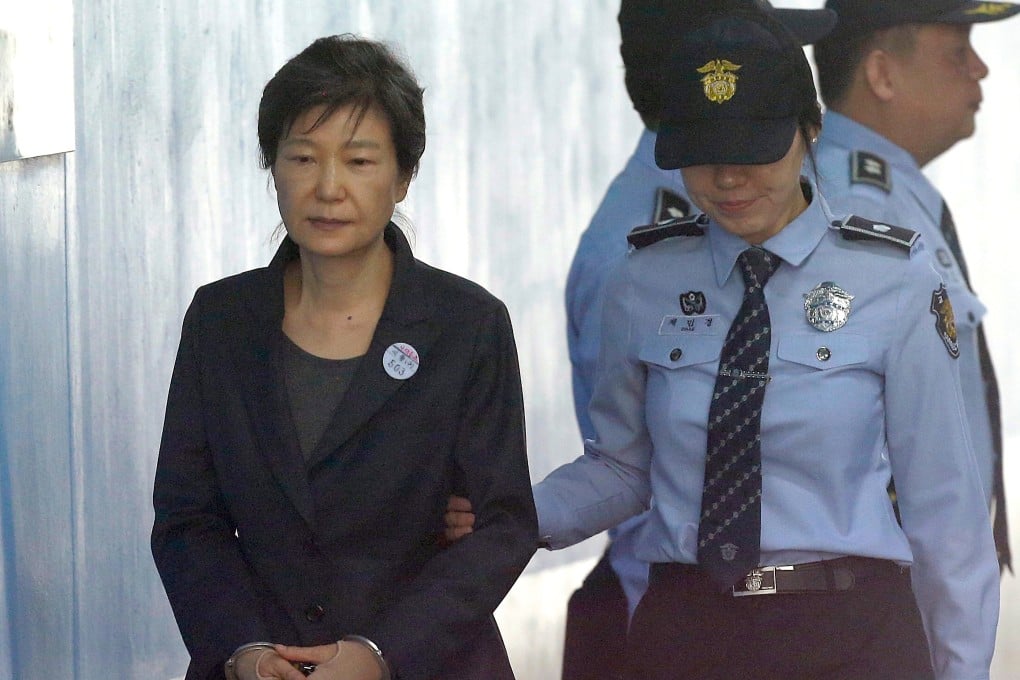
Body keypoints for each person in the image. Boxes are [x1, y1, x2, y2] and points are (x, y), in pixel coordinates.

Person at [450, 7, 998, 679]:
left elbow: (945, 509)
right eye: (703, 156)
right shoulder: (641, 281)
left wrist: (963, 669)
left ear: (810, 131)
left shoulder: (892, 280)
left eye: (753, 149)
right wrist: (514, 513)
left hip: (851, 631)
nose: (729, 179)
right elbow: (624, 468)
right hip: (689, 630)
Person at [151, 35, 537, 680]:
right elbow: (187, 519)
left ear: (403, 177)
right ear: (273, 167)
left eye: (359, 161)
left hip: (428, 664)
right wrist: (243, 650)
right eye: (303, 157)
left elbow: (502, 526)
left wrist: (379, 655)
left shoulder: (467, 325)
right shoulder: (221, 320)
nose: (328, 188)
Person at [560, 2, 835, 679]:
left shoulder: (771, 219)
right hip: (685, 628)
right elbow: (640, 479)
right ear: (707, 77)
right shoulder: (635, 260)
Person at [813, 0, 1019, 572]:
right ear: (882, 74)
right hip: (894, 586)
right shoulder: (852, 209)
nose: (980, 69)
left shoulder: (886, 196)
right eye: (957, 51)